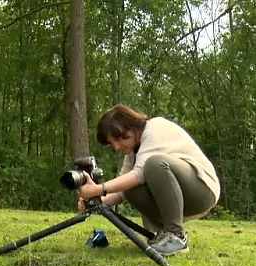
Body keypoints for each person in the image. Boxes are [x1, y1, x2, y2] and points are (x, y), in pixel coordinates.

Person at [76, 104, 221, 256]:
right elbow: (121, 191)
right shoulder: (133, 152)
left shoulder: (154, 128)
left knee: (154, 164)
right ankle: (164, 235)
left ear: (129, 129)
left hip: (203, 190)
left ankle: (176, 236)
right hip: (182, 196)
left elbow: (138, 174)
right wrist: (95, 202)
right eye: (112, 144)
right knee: (130, 187)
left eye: (117, 140)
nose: (116, 147)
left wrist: (98, 189)